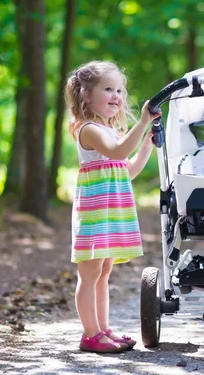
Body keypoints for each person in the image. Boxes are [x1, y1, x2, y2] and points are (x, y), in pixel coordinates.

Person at [66, 61, 160, 353]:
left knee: (104, 271)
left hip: (110, 210)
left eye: (119, 90)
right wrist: (143, 122)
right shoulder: (89, 129)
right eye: (108, 89)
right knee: (90, 274)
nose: (117, 95)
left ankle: (104, 329)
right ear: (86, 95)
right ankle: (90, 335)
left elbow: (126, 169)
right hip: (96, 212)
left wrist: (146, 145)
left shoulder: (110, 130)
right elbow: (118, 152)